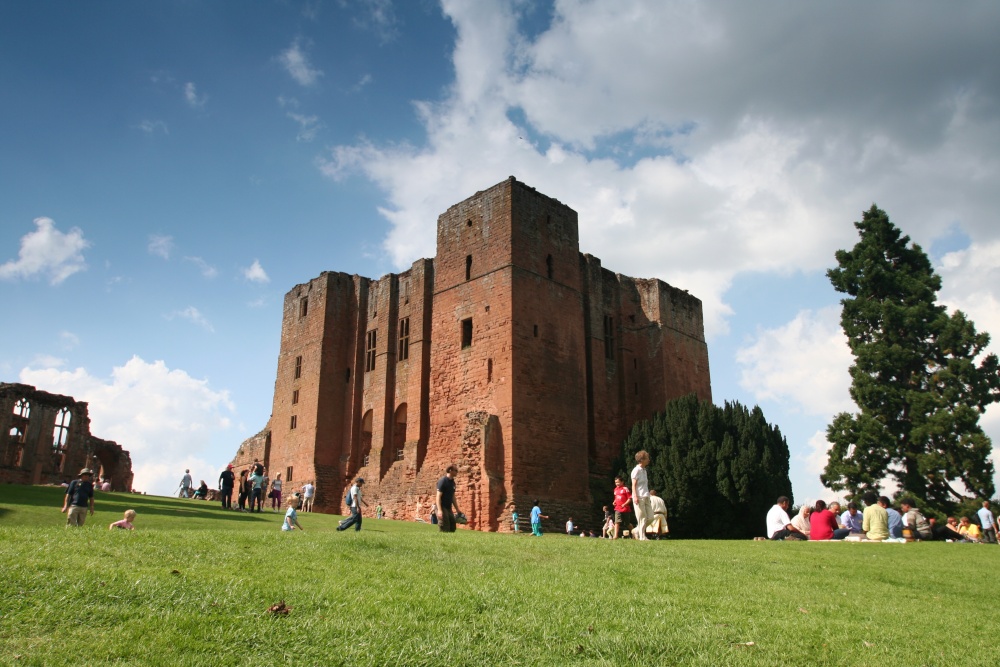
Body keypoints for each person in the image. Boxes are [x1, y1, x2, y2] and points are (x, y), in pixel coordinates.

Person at [630, 450, 652, 541]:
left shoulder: (644, 470)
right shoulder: (636, 470)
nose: (648, 460)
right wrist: (635, 496)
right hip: (639, 497)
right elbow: (633, 485)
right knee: (642, 518)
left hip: (646, 496)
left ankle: (636, 530)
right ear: (642, 460)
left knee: (650, 517)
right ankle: (642, 537)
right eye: (647, 458)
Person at [436, 465, 463, 532]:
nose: (457, 472)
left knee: (452, 526)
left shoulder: (453, 483)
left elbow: (453, 497)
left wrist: (457, 509)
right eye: (456, 470)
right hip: (442, 506)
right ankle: (442, 541)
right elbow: (438, 496)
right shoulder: (443, 481)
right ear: (450, 470)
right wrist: (439, 510)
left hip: (448, 507)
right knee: (445, 525)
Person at [612, 475, 632, 540]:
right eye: (616, 482)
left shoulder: (625, 489)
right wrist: (614, 502)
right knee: (617, 522)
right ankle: (615, 536)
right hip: (617, 508)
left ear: (622, 482)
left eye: (618, 482)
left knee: (627, 523)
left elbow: (629, 498)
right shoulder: (615, 489)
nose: (617, 484)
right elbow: (616, 497)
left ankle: (634, 534)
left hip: (625, 509)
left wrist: (625, 504)